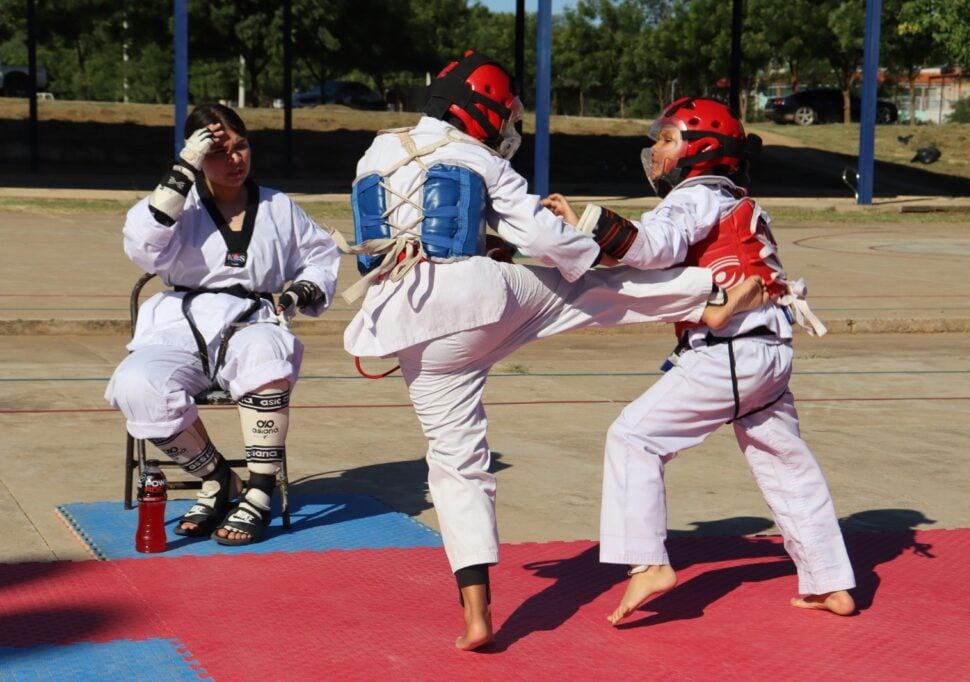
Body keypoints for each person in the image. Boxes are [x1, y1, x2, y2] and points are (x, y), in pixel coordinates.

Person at [338, 53, 769, 651]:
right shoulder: (478, 156)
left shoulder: (375, 151)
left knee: (455, 463)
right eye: (506, 115)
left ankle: (476, 616)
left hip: (399, 319)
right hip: (476, 298)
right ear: (482, 110)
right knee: (591, 290)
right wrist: (588, 250)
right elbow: (541, 237)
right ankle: (709, 298)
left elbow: (396, 228)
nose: (506, 128)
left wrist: (489, 245)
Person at [545, 97, 855, 624]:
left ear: (701, 149)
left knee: (633, 437)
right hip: (771, 352)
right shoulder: (735, 200)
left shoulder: (696, 195)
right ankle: (829, 581)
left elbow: (654, 247)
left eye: (667, 139)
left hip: (728, 351)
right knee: (787, 465)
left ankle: (646, 563)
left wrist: (591, 219)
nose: (655, 150)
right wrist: (584, 229)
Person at [105, 103, 340, 546]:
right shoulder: (180, 205)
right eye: (219, 151)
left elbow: (320, 257)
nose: (235, 159)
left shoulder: (278, 206)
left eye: (242, 146)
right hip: (179, 328)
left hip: (251, 322)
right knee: (135, 384)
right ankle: (218, 478)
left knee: (268, 353)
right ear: (195, 154)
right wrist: (183, 170)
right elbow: (143, 246)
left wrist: (299, 292)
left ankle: (260, 492)